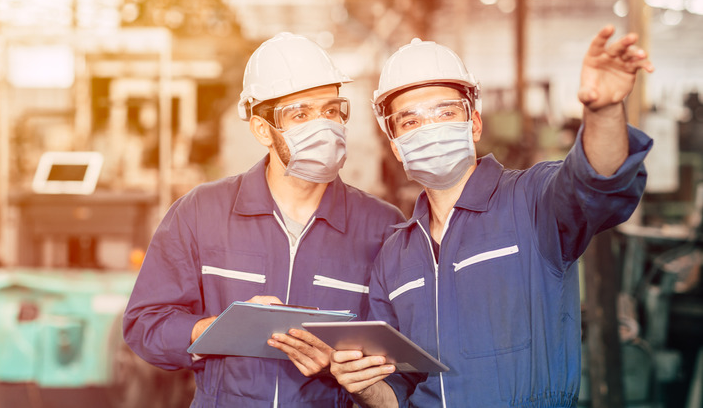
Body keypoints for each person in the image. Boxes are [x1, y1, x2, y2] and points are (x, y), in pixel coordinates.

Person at [328, 24, 655, 407]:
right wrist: (364, 385)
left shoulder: (532, 202)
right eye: (410, 121)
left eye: (445, 112)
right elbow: (398, 390)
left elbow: (596, 185)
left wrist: (604, 113)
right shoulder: (395, 258)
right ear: (396, 146)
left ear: (475, 123)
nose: (429, 129)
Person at [122, 32, 405, 407]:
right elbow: (145, 323)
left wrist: (341, 365)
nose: (323, 126)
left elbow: (402, 356)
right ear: (261, 129)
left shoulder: (383, 227)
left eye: (332, 110)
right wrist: (216, 330)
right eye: (300, 114)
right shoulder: (200, 212)